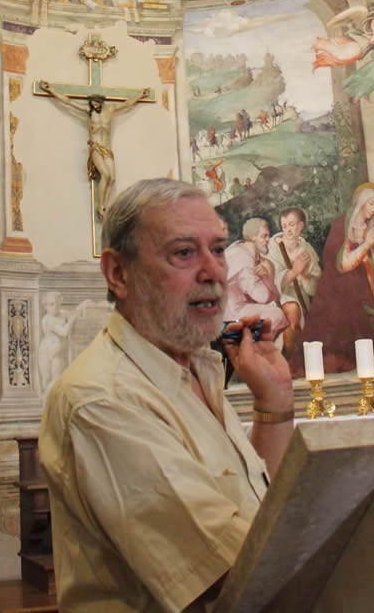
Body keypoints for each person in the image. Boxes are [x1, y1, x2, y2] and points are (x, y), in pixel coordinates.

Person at [39, 178, 294, 612]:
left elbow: (264, 513)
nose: (214, 272)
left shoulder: (197, 369)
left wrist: (274, 403)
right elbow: (238, 572)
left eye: (218, 249)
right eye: (183, 252)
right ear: (119, 273)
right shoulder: (102, 398)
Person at [299, 182, 374, 372]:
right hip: (342, 288)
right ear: (361, 202)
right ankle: (368, 350)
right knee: (361, 301)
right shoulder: (342, 226)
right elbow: (342, 265)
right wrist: (367, 245)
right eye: (371, 203)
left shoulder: (371, 228)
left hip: (368, 283)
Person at [37, 81, 150, 218]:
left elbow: (127, 104)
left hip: (107, 148)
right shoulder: (88, 112)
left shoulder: (110, 110)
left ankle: (105, 205)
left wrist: (140, 95)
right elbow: (68, 102)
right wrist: (50, 90)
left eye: (96, 103)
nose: (94, 105)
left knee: (112, 178)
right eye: (92, 104)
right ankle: (100, 206)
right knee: (105, 175)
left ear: (101, 102)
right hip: (95, 147)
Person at [225, 216, 288, 338]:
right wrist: (265, 276)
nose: (268, 240)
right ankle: (255, 347)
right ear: (253, 237)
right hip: (232, 314)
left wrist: (266, 275)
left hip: (233, 309)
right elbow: (263, 297)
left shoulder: (238, 248)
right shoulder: (243, 259)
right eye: (264, 236)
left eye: (268, 236)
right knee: (277, 315)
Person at [270, 207, 321, 335]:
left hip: (301, 298)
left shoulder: (307, 250)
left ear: (301, 226)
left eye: (291, 225)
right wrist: (294, 271)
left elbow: (317, 288)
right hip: (278, 298)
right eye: (284, 226)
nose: (288, 229)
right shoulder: (273, 249)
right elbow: (270, 284)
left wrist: (305, 276)